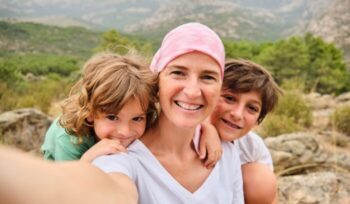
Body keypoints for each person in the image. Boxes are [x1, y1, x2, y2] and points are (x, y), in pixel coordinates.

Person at [0, 22, 243, 204]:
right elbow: (98, 191)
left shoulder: (226, 149)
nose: (192, 91)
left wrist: (207, 127)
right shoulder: (118, 155)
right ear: (157, 83)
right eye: (178, 72)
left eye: (208, 76)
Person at [41, 53, 158, 162]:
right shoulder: (69, 139)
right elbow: (67, 181)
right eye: (112, 117)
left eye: (137, 119)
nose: (125, 132)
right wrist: (87, 159)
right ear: (90, 113)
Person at [208, 59, 283, 204]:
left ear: (258, 120)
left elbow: (270, 197)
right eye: (229, 98)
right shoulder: (187, 131)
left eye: (252, 108)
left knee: (261, 178)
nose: (237, 114)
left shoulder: (252, 147)